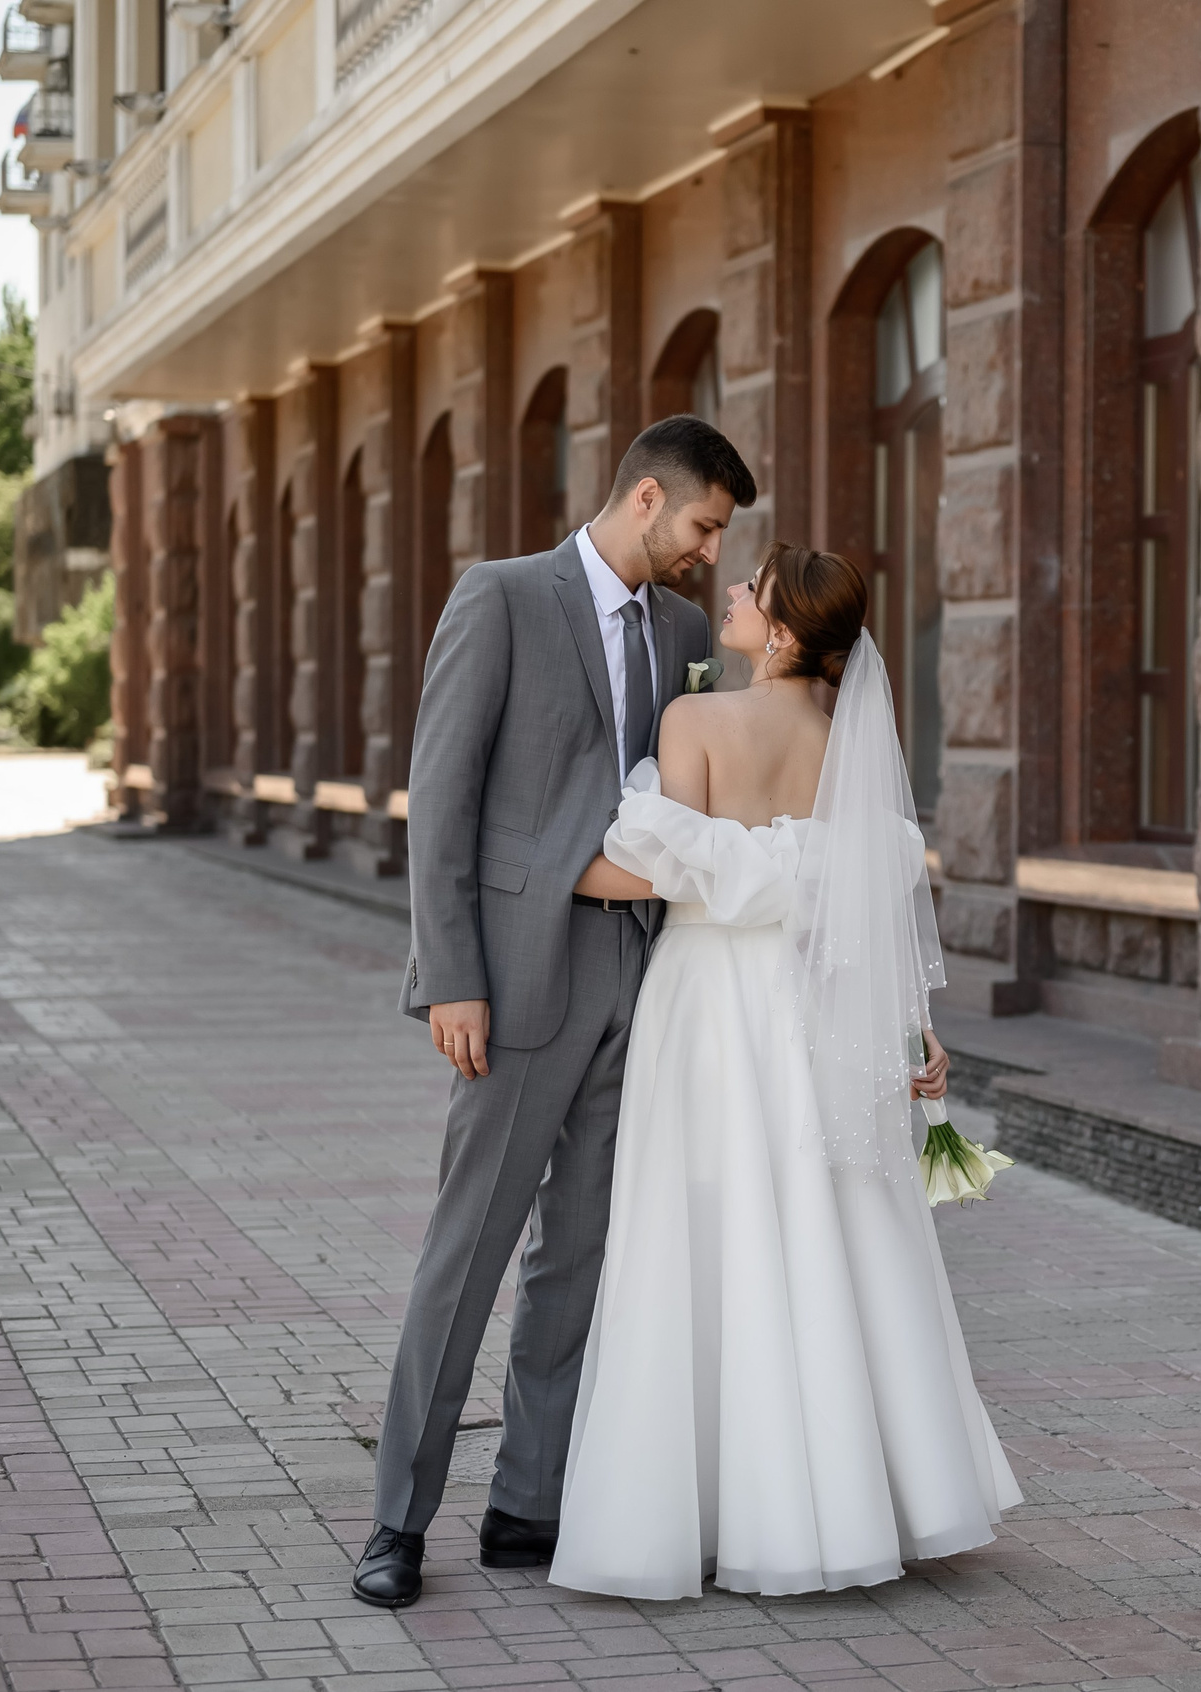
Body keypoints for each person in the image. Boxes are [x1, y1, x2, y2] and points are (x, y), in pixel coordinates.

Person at [545, 541, 1019, 1600]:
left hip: (711, 999)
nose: (730, 594)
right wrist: (913, 1031)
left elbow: (649, 873)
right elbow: (863, 912)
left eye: (750, 590)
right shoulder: (849, 748)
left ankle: (714, 1504)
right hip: (815, 1005)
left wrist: (524, 859)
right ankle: (862, 1498)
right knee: (826, 1224)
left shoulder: (693, 721)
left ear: (787, 630)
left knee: (705, 1232)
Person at [352, 415, 755, 1609]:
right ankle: (397, 1522)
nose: (708, 552)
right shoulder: (504, 597)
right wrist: (450, 975)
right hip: (517, 983)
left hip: (643, 979)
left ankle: (529, 1504)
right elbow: (445, 794)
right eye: (702, 525)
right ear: (644, 500)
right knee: (466, 1255)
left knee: (580, 1255)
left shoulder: (685, 631)